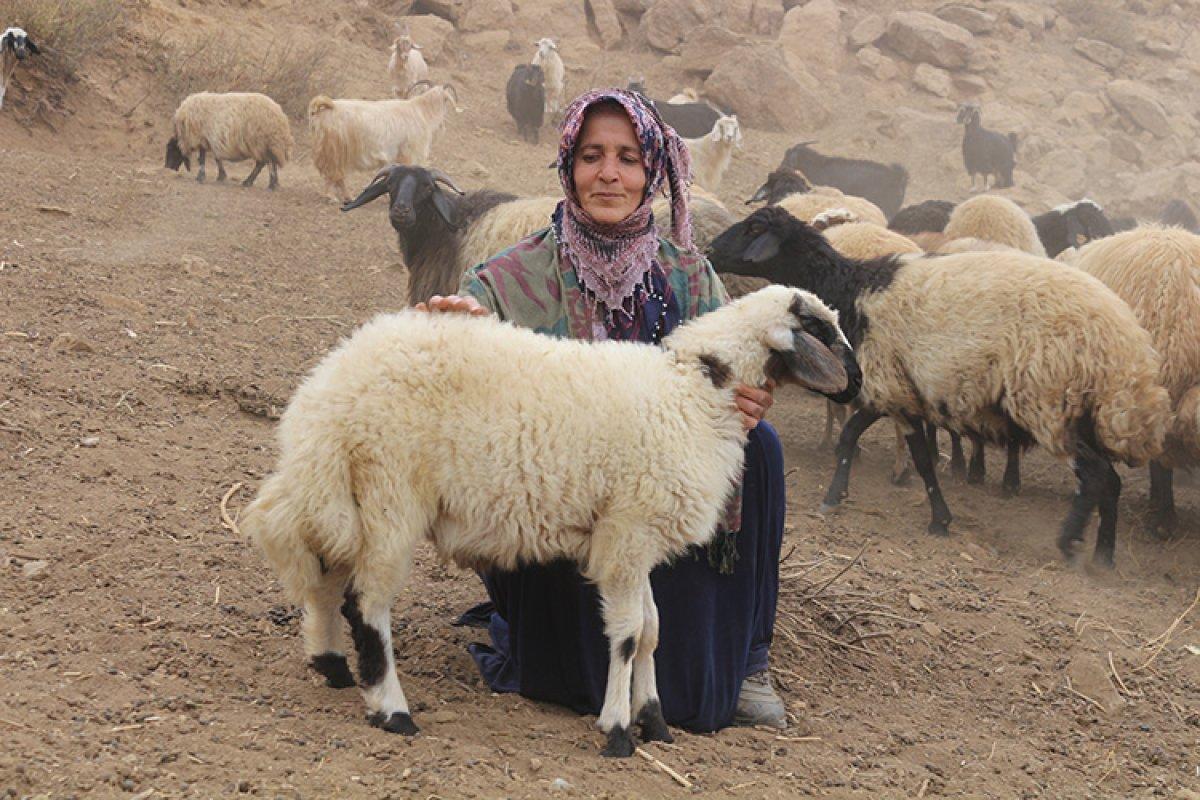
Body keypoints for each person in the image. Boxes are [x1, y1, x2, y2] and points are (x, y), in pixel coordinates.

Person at [418, 88, 788, 732]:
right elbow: (464, 373)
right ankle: (532, 630)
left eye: (627, 157)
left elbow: (733, 382)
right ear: (569, 166)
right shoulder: (510, 276)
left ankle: (751, 657)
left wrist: (748, 401)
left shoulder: (691, 279)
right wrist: (459, 326)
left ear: (654, 171)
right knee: (587, 682)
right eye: (592, 156)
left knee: (763, 448)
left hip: (660, 516)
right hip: (560, 522)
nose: (609, 174)